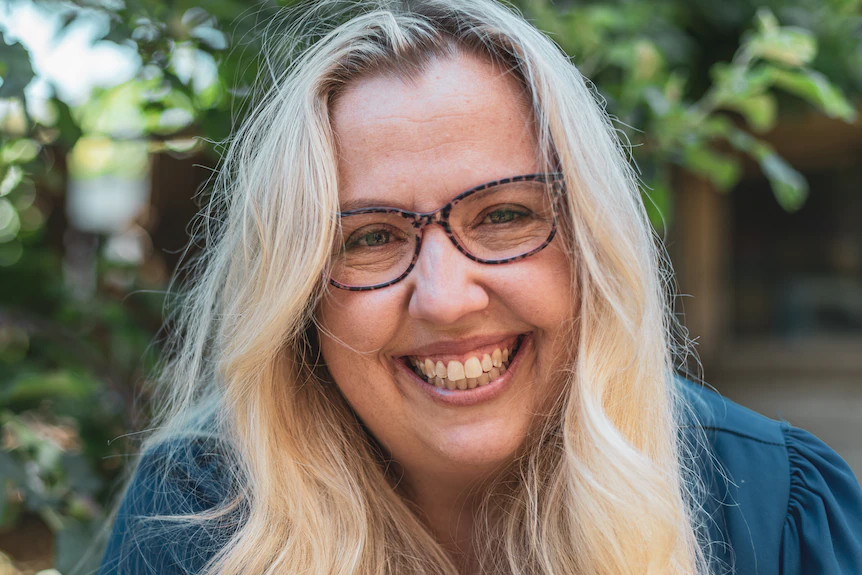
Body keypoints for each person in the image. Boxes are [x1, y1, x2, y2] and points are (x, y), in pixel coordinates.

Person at [97, 1, 862, 573]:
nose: (446, 298)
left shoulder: (771, 504)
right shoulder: (196, 519)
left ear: (589, 242)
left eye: (503, 215)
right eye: (369, 237)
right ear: (298, 299)